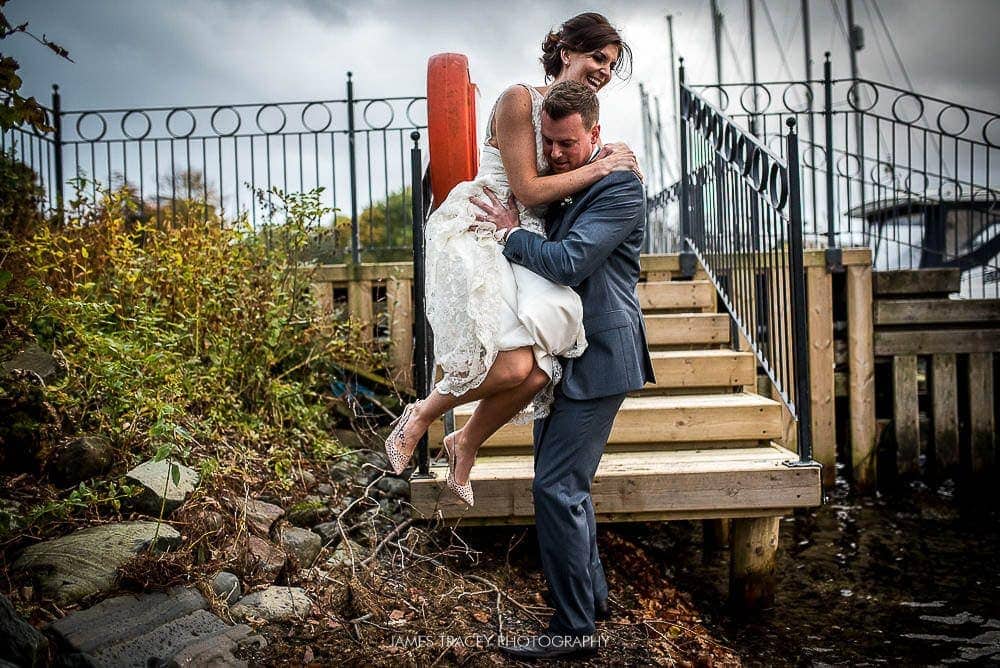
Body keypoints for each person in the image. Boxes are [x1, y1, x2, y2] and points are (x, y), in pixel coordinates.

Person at [383, 13, 637, 507]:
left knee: (540, 372)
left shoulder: (572, 116)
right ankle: (420, 415)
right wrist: (604, 165)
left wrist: (610, 160)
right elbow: (526, 188)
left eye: (611, 64)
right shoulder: (521, 99)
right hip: (490, 228)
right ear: (567, 52)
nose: (605, 70)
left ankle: (465, 442)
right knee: (514, 364)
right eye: (598, 58)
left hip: (529, 238)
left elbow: (579, 171)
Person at [472, 80, 655, 660]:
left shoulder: (620, 187)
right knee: (564, 487)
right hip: (570, 351)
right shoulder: (574, 180)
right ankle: (591, 600)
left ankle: (574, 631)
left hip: (602, 353)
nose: (553, 155)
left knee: (556, 489)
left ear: (594, 135)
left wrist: (510, 233)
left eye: (567, 144)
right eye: (547, 143)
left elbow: (570, 262)